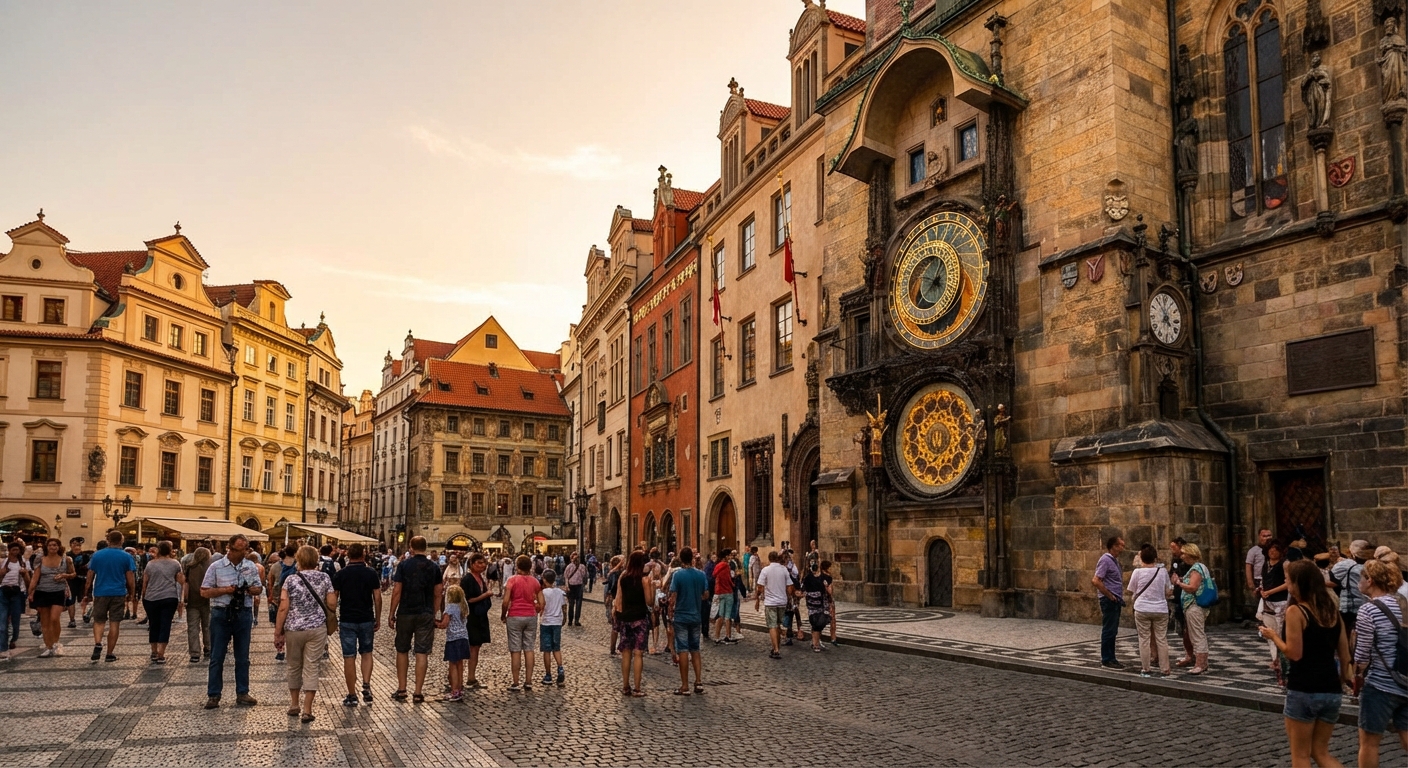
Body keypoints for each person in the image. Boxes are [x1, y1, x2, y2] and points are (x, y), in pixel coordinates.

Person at [1260, 559, 1351, 768]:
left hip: (1304, 688)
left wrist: (1273, 636)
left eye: (1288, 580)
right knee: (1321, 753)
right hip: (1331, 689)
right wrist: (1345, 678)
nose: (1287, 584)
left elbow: (1294, 653)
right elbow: (1345, 656)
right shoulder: (1332, 611)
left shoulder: (1297, 612)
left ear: (1298, 583)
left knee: (1300, 756)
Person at [1354, 559, 1408, 768]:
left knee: (1369, 743)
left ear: (1370, 580)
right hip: (1405, 679)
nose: (1359, 581)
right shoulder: (1403, 604)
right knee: (1405, 733)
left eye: (1361, 577)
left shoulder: (1368, 610)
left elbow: (1362, 654)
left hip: (1380, 684)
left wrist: (1356, 674)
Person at [274, 545, 336, 723]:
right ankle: (307, 709)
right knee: (311, 666)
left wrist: (278, 632)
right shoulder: (324, 578)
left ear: (298, 560)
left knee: (294, 666)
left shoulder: (291, 580)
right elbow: (332, 603)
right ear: (316, 560)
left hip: (294, 629)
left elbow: (283, 607)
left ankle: (294, 704)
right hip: (317, 629)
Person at [201, 533, 263, 709]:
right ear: (230, 547)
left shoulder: (250, 566)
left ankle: (242, 693)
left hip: (243, 612)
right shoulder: (216, 567)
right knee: (216, 656)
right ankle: (214, 695)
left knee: (243, 657)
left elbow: (259, 588)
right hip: (221, 613)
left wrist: (252, 589)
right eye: (239, 549)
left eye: (245, 549)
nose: (242, 553)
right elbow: (204, 591)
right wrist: (226, 590)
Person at [389, 536, 443, 704]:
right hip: (425, 612)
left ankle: (402, 688)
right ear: (425, 548)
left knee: (402, 649)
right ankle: (418, 692)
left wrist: (391, 613)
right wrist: (433, 612)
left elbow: (397, 590)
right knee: (422, 652)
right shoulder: (434, 567)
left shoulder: (404, 565)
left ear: (411, 547)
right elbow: (438, 593)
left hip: (406, 612)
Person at [331, 543, 381, 706]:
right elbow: (377, 598)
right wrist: (378, 617)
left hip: (347, 619)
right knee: (367, 653)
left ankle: (352, 694)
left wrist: (332, 617)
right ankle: (366, 684)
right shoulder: (371, 573)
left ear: (348, 556)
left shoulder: (341, 574)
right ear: (363, 554)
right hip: (366, 618)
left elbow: (333, 599)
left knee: (349, 657)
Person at [84, 530, 135, 663]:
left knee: (99, 620)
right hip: (118, 592)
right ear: (121, 541)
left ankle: (98, 643)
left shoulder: (97, 555)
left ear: (108, 540)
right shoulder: (126, 556)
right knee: (115, 623)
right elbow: (130, 578)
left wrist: (87, 592)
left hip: (100, 592)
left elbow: (90, 575)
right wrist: (132, 593)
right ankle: (110, 653)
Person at [1126, 544, 1171, 677]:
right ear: (1155, 558)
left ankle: (1146, 668)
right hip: (1161, 609)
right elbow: (1168, 591)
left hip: (1142, 608)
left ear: (1142, 559)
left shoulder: (1137, 572)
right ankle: (1165, 669)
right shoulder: (1162, 572)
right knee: (1161, 639)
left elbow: (1132, 589)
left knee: (1144, 639)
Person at [501, 555, 543, 692]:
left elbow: (506, 601)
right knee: (529, 648)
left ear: (517, 566)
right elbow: (542, 603)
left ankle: (515, 682)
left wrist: (503, 615)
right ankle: (529, 681)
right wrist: (536, 609)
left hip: (515, 615)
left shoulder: (512, 580)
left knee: (515, 650)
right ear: (530, 567)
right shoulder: (535, 581)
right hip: (530, 616)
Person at [614, 550, 654, 696]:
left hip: (625, 618)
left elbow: (618, 599)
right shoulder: (644, 580)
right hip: (640, 618)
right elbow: (649, 601)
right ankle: (637, 688)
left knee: (626, 653)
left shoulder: (623, 577)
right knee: (638, 654)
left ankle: (625, 686)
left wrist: (616, 615)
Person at [668, 547, 707, 695]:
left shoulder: (678, 575)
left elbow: (673, 597)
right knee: (695, 649)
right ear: (691, 558)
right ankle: (698, 682)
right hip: (695, 616)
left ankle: (685, 685)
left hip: (681, 616)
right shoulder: (701, 575)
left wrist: (670, 612)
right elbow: (706, 594)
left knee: (683, 649)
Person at [29, 538, 75, 657]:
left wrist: (64, 575)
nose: (53, 547)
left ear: (59, 547)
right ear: (46, 547)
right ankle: (48, 646)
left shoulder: (66, 559)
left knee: (54, 618)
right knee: (45, 621)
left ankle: (56, 643)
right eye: (50, 545)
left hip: (58, 591)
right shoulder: (40, 559)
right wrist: (31, 591)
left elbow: (73, 574)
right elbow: (35, 576)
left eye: (55, 545)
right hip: (42, 591)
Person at [1170, 542, 1211, 674]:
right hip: (1192, 606)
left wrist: (1179, 583)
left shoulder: (1196, 568)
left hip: (1194, 605)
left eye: (1183, 553)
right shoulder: (1197, 567)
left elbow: (1193, 587)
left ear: (1190, 554)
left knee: (1197, 635)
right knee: (1195, 634)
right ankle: (1201, 662)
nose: (1181, 556)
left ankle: (1201, 664)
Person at [141, 541, 184, 664]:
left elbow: (145, 582)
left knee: (154, 624)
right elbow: (180, 581)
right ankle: (161, 653)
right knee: (165, 624)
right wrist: (181, 598)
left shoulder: (150, 564)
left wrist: (144, 596)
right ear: (170, 550)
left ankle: (154, 651)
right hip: (169, 597)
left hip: (151, 597)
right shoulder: (175, 564)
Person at [1091, 535, 1125, 669]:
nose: (1123, 548)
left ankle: (1111, 657)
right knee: (1109, 630)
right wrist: (1109, 595)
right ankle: (1107, 658)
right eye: (1121, 545)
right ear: (1114, 546)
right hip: (1109, 600)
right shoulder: (1105, 560)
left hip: (1115, 600)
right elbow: (1096, 580)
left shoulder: (1114, 561)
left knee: (1113, 630)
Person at [1259, 541, 1290, 681]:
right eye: (1270, 549)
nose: (1272, 552)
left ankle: (1282, 662)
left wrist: (1270, 591)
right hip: (1267, 601)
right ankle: (1274, 659)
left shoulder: (1285, 563)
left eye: (1275, 549)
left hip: (1280, 600)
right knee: (1269, 632)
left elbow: (1287, 583)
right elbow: (1264, 580)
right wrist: (1262, 591)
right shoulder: (1266, 563)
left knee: (1280, 632)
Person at [462, 553, 493, 690]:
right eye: (479, 563)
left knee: (476, 647)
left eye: (483, 563)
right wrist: (485, 595)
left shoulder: (481, 577)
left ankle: (471, 677)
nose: (482, 565)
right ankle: (461, 677)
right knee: (470, 647)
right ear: (472, 564)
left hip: (480, 616)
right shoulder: (467, 579)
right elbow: (467, 600)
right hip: (471, 617)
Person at [755, 550, 793, 660]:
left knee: (772, 625)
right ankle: (776, 647)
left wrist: (757, 599)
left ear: (769, 559)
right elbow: (790, 587)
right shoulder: (784, 569)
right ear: (777, 558)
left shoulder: (765, 570)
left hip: (771, 602)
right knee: (777, 625)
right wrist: (788, 596)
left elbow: (760, 587)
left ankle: (776, 650)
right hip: (782, 602)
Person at [438, 584, 471, 702]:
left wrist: (436, 624)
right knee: (460, 664)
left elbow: (444, 624)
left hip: (453, 639)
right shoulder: (463, 607)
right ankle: (460, 688)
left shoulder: (450, 608)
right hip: (464, 638)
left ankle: (454, 691)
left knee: (452, 665)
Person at [1333, 540, 1370, 638]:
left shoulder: (1346, 565)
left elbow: (1332, 579)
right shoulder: (1373, 565)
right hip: (1367, 604)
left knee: (1348, 634)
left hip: (1351, 605)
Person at [0, 542, 30, 661]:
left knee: (16, 622)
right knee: (2, 623)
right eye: (13, 550)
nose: (15, 552)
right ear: (9, 550)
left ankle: (13, 639)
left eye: (17, 550)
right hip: (3, 592)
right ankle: (3, 648)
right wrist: (2, 574)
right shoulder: (2, 562)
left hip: (17, 593)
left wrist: (24, 575)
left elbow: (28, 581)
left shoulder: (22, 563)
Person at [183, 547, 213, 663]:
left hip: (192, 601)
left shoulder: (190, 567)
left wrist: (184, 599)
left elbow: (186, 585)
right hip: (207, 600)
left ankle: (194, 653)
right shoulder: (210, 567)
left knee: (193, 628)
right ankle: (208, 648)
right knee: (208, 626)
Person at [267, 545, 297, 661]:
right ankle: (292, 649)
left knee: (279, 625)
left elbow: (270, 582)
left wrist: (270, 596)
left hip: (278, 598)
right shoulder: (298, 565)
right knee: (292, 625)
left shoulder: (275, 566)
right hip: (295, 600)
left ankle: (281, 650)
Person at [1168, 538, 1194, 667]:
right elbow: (1172, 573)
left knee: (1190, 628)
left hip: (1190, 598)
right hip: (1178, 596)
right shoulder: (1175, 560)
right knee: (1182, 627)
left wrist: (1180, 580)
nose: (1172, 551)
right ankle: (1188, 653)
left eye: (1174, 548)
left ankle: (1193, 655)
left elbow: (1192, 580)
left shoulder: (1190, 563)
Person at [539, 569, 567, 687]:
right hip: (557, 622)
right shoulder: (560, 592)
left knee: (547, 650)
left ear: (544, 580)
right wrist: (564, 619)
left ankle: (548, 675)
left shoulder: (543, 593)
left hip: (546, 622)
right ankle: (560, 668)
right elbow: (564, 607)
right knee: (557, 648)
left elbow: (540, 606)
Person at [801, 560, 832, 652]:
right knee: (815, 622)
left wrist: (826, 587)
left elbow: (830, 592)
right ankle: (815, 644)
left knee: (820, 622)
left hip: (822, 604)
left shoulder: (826, 578)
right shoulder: (807, 578)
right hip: (812, 604)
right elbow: (802, 589)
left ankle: (816, 641)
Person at [711, 549, 737, 644]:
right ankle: (728, 636)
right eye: (729, 555)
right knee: (727, 616)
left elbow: (714, 575)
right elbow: (728, 579)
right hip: (727, 591)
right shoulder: (726, 566)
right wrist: (733, 583)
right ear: (726, 556)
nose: (730, 557)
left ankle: (717, 637)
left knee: (720, 615)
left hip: (719, 592)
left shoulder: (717, 566)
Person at [1246, 527, 1272, 608]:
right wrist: (1251, 584)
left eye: (1269, 536)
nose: (1267, 538)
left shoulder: (1274, 550)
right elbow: (1248, 566)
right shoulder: (1253, 551)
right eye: (1264, 536)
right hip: (1259, 579)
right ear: (1259, 537)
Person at [67, 538, 89, 628]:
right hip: (71, 581)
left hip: (82, 581)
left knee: (84, 599)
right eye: (74, 544)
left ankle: (85, 615)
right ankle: (72, 620)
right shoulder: (67, 556)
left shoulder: (85, 556)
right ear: (71, 545)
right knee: (71, 601)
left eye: (78, 545)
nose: (77, 546)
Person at [604, 555, 624, 656]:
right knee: (619, 626)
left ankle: (613, 648)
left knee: (615, 626)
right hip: (618, 600)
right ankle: (619, 647)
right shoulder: (617, 574)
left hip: (614, 600)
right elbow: (614, 587)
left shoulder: (612, 573)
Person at [563, 553, 586, 627]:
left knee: (578, 605)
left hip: (579, 586)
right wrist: (567, 586)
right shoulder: (569, 566)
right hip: (571, 586)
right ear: (571, 558)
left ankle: (576, 620)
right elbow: (566, 577)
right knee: (571, 604)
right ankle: (570, 620)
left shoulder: (582, 566)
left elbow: (584, 575)